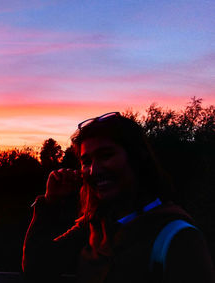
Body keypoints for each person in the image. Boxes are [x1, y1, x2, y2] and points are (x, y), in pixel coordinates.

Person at [22, 112, 215, 283]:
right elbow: (37, 267)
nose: (94, 170)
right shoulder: (94, 227)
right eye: (86, 161)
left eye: (106, 155)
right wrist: (49, 202)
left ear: (137, 157)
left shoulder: (178, 237)